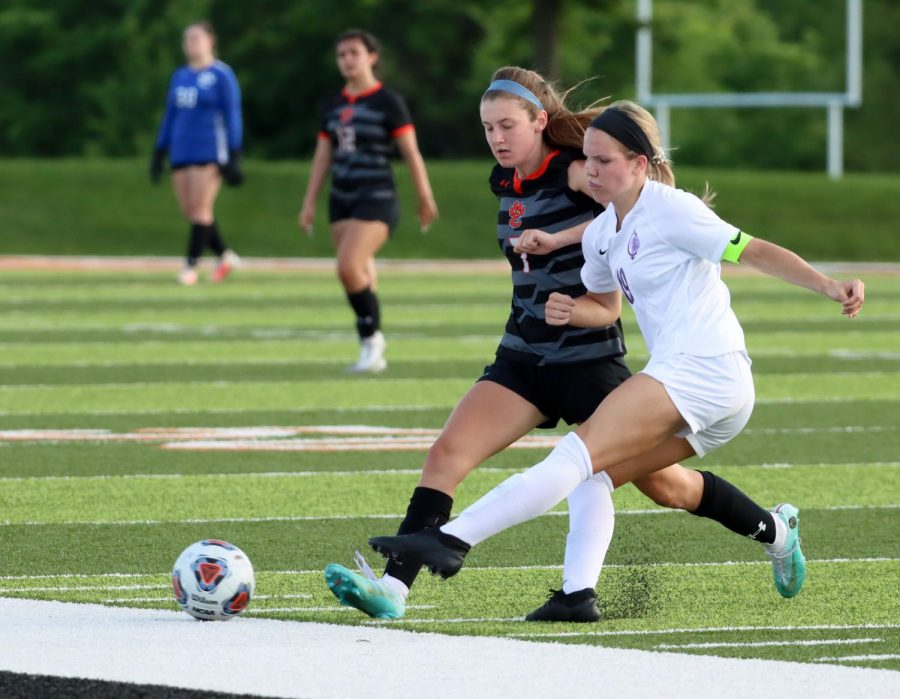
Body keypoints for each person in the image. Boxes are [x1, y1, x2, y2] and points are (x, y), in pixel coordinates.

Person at [325, 72, 816, 623]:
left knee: (665, 487)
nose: (497, 138)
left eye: (508, 125)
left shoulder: (580, 169)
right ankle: (395, 589)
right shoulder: (506, 181)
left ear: (540, 121)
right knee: (446, 455)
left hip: (588, 362)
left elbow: (624, 208)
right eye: (488, 127)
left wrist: (566, 240)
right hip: (524, 355)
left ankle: (774, 528)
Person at [299, 29, 438, 373]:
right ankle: (372, 350)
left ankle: (371, 339)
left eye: (354, 53)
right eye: (341, 54)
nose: (347, 60)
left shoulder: (387, 101)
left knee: (347, 266)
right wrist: (309, 202)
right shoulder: (332, 104)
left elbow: (411, 153)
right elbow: (322, 156)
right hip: (340, 197)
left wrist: (424, 195)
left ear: (371, 57)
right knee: (359, 272)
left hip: (376, 196)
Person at [151, 21, 244, 286]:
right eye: (186, 39)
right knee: (190, 210)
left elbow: (232, 115)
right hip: (182, 150)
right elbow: (171, 115)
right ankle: (224, 255)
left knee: (202, 209)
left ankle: (190, 266)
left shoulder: (221, 75)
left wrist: (235, 152)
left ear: (210, 41)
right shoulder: (180, 76)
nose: (190, 44)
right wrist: (160, 149)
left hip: (210, 149)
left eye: (195, 38)